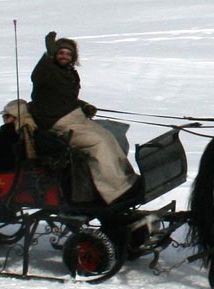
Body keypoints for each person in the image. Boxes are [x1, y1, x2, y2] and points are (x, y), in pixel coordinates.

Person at [28, 31, 138, 204]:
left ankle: (125, 181)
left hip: (73, 117)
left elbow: (62, 97)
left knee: (109, 136)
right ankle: (114, 191)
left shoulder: (68, 73)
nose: (64, 56)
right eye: (60, 52)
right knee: (98, 143)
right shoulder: (48, 71)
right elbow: (38, 77)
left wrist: (82, 106)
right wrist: (48, 56)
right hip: (56, 122)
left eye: (68, 54)